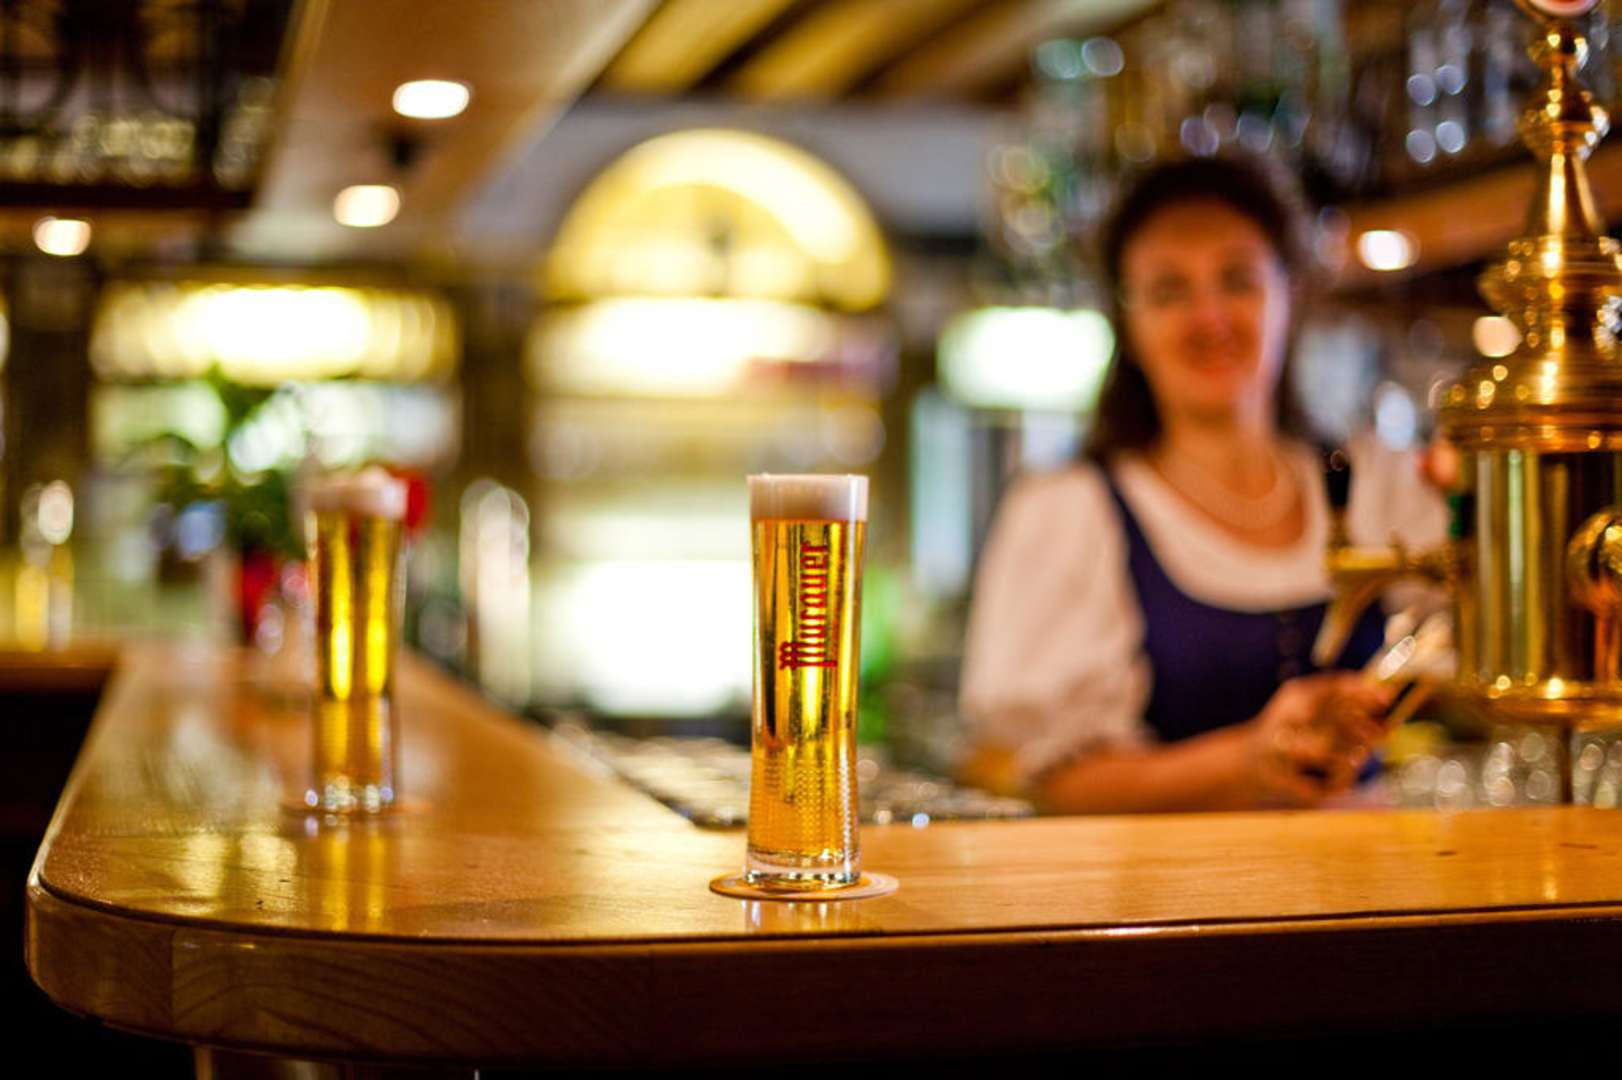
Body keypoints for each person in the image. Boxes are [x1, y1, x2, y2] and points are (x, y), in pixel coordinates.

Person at [960, 154, 1447, 813]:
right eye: (1169, 291)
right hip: (1165, 881)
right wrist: (1247, 764)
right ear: (1127, 323)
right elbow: (1045, 783)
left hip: (1367, 872)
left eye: (1237, 280)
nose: (1209, 318)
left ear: (1289, 296)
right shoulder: (1072, 511)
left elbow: (1470, 645)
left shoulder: (1375, 481)